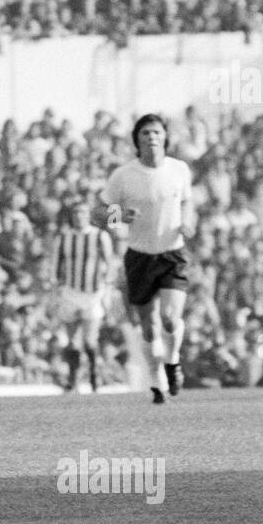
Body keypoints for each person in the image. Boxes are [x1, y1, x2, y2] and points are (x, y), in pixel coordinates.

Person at [93, 114, 194, 403]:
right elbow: (98, 212)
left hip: (172, 252)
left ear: (165, 137)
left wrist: (187, 221)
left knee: (171, 318)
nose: (152, 137)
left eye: (157, 132)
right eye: (146, 133)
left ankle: (173, 362)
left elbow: (187, 202)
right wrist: (120, 215)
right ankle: (156, 380)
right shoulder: (123, 175)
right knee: (149, 327)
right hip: (139, 255)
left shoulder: (179, 169)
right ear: (137, 139)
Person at [50, 201, 113, 392]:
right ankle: (73, 378)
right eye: (76, 212)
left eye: (82, 212)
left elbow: (110, 264)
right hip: (70, 292)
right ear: (72, 216)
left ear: (88, 215)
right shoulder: (63, 237)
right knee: (72, 341)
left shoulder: (100, 235)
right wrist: (55, 289)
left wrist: (107, 291)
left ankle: (94, 373)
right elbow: (55, 263)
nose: (79, 216)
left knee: (89, 340)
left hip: (92, 293)